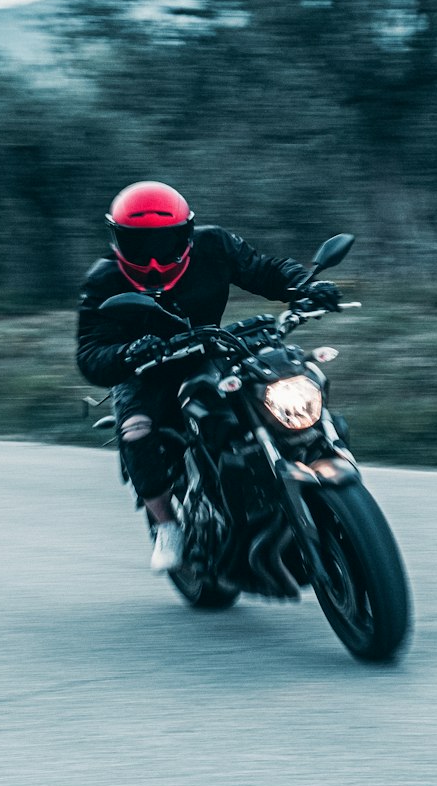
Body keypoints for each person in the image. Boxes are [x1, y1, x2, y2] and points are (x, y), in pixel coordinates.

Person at [77, 181, 341, 573]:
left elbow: (263, 270)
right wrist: (127, 353)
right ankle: (167, 524)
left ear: (186, 233)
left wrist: (305, 287)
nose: (152, 258)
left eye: (164, 242)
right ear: (118, 238)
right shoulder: (103, 280)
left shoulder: (214, 246)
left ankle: (318, 467)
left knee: (288, 381)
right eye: (139, 244)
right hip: (144, 370)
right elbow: (90, 354)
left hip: (210, 349)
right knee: (135, 429)